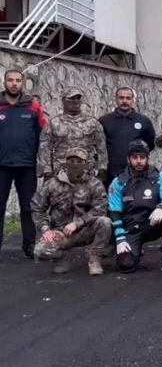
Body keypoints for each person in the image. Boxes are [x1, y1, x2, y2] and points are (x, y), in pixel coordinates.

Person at [31, 148, 113, 276]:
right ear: (66, 163)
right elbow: (37, 206)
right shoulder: (52, 184)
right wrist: (45, 229)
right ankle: (62, 257)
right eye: (72, 161)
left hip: (86, 230)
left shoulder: (94, 184)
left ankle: (94, 258)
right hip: (61, 232)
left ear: (86, 164)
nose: (75, 165)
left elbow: (100, 209)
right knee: (40, 251)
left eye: (79, 161)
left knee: (105, 222)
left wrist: (78, 223)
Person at [107, 140, 162, 275]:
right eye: (134, 158)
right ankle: (133, 250)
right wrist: (120, 238)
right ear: (128, 159)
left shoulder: (159, 176)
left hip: (152, 223)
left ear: (147, 158)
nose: (138, 161)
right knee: (126, 266)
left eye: (142, 157)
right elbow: (114, 211)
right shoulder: (118, 182)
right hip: (131, 228)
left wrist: (161, 208)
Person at [0, 69, 47, 257]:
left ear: (23, 83)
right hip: (1, 166)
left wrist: (42, 161)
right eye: (10, 80)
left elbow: (45, 135)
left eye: (17, 80)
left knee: (28, 207)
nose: (14, 83)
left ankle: (29, 245)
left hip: (27, 166)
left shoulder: (33, 106)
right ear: (4, 82)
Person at [38, 87, 108, 182]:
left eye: (78, 98)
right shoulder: (53, 123)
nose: (76, 101)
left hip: (87, 174)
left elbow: (102, 148)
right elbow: (45, 149)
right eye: (72, 98)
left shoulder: (93, 123)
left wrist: (102, 169)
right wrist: (47, 172)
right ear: (63, 101)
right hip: (60, 174)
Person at [98, 87, 156, 187]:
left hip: (137, 172)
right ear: (115, 99)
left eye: (128, 98)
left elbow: (150, 144)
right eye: (121, 98)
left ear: (133, 100)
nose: (124, 101)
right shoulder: (104, 121)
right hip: (112, 172)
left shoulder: (144, 121)